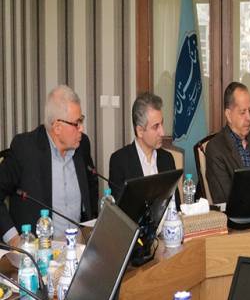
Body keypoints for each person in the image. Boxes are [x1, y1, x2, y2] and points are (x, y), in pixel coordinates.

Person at [0, 85, 99, 246]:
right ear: (57, 127)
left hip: (78, 247)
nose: (81, 128)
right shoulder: (25, 148)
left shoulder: (82, 145)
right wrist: (13, 238)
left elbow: (91, 184)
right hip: (39, 251)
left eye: (81, 120)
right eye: (77, 123)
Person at [205, 82, 250, 203]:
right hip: (235, 212)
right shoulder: (216, 148)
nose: (249, 117)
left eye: (249, 110)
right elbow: (224, 197)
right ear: (228, 115)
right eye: (243, 112)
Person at [108, 92, 176, 201]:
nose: (162, 132)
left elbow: (175, 204)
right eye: (156, 127)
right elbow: (121, 208)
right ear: (140, 131)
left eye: (162, 124)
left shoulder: (167, 159)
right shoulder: (119, 162)